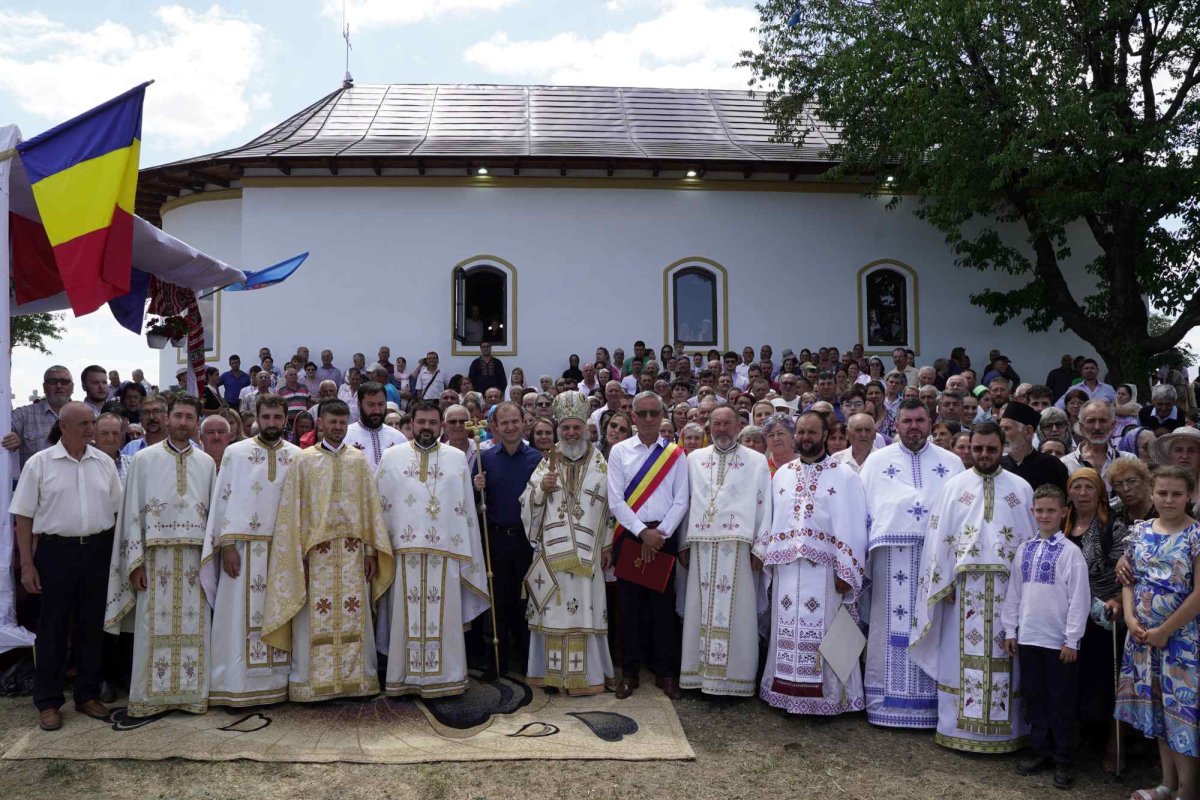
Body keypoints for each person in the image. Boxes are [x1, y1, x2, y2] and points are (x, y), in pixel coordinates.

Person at [910, 422, 1035, 754]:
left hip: (1008, 592)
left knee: (1007, 655)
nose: (984, 454)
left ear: (1002, 447)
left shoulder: (1021, 489)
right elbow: (938, 538)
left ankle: (1007, 733)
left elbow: (1031, 540)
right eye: (978, 448)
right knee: (959, 658)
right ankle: (957, 728)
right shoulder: (954, 487)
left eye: (991, 449)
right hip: (963, 592)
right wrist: (942, 583)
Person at [259, 399, 395, 701]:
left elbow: (370, 510)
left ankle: (356, 681)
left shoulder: (358, 461)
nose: (337, 428)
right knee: (313, 619)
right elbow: (293, 514)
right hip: (315, 555)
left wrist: (371, 553)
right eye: (332, 422)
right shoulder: (304, 461)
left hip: (353, 554)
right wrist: (299, 558)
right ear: (320, 423)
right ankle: (311, 685)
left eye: (342, 423)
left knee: (354, 616)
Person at [104, 394, 217, 717]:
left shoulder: (207, 463)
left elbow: (213, 518)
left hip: (194, 561)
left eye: (189, 417)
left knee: (195, 629)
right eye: (178, 415)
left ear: (196, 422)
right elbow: (131, 514)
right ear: (167, 418)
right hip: (154, 561)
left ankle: (191, 696)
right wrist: (135, 563)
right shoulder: (143, 459)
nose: (183, 422)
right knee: (151, 630)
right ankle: (148, 699)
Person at [13, 402, 122, 731]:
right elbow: (23, 518)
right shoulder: (39, 463)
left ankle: (87, 695)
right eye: (83, 423)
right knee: (53, 628)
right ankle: (48, 702)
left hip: (98, 551)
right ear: (63, 426)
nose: (91, 429)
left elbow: (118, 511)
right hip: (55, 553)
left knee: (92, 626)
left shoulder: (104, 463)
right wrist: (27, 565)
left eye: (92, 422)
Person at [860, 400, 964, 729]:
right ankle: (884, 704)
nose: (914, 426)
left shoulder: (951, 462)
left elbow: (961, 517)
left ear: (930, 422)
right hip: (889, 561)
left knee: (933, 626)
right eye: (907, 420)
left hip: (935, 562)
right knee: (886, 630)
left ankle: (934, 706)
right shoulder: (877, 462)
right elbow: (864, 511)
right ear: (896, 424)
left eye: (920, 420)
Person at [757, 411, 867, 715]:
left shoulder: (845, 476)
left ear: (825, 435)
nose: (805, 438)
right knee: (786, 629)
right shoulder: (783, 474)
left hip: (828, 572)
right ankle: (784, 692)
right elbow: (772, 519)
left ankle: (828, 700)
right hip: (787, 569)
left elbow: (854, 524)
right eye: (801, 432)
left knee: (826, 631)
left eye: (812, 432)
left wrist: (847, 570)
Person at [376, 400, 489, 696]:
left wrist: (468, 552)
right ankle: (402, 679)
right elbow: (381, 507)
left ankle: (448, 678)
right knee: (404, 619)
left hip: (446, 553)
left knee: (445, 620)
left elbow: (466, 510)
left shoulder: (456, 458)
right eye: (421, 422)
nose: (426, 427)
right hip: (404, 554)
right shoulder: (391, 457)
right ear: (411, 424)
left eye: (432, 422)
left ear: (441, 426)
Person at [199, 395, 301, 707]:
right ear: (256, 417)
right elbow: (223, 499)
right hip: (242, 549)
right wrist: (227, 544)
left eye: (277, 417)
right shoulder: (236, 452)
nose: (271, 423)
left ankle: (277, 686)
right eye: (266, 417)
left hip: (283, 551)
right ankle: (234, 686)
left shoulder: (298, 456)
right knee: (237, 620)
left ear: (286, 419)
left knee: (280, 614)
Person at [519, 392, 615, 694]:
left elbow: (612, 508)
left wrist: (607, 545)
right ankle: (550, 675)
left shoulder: (601, 463)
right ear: (558, 429)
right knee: (552, 610)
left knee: (586, 610)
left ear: (586, 428)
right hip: (552, 551)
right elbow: (526, 501)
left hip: (588, 555)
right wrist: (540, 491)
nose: (571, 433)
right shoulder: (546, 462)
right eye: (566, 428)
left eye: (576, 427)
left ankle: (587, 677)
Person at [1116, 466, 1200, 800]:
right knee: (1159, 711)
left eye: (1176, 494)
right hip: (1142, 638)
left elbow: (1199, 593)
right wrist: (1129, 618)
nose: (1168, 499)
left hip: (1182, 641)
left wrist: (1165, 630)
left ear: (1189, 496)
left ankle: (1188, 790)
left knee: (1182, 713)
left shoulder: (1196, 535)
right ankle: (1167, 784)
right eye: (1162, 493)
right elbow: (1128, 579)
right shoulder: (1139, 532)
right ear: (1152, 493)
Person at [677, 406, 771, 697]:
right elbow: (686, 502)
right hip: (702, 547)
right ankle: (698, 676)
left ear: (738, 426)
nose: (722, 429)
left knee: (740, 614)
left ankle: (736, 681)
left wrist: (761, 547)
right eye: (716, 424)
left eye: (727, 423)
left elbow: (764, 504)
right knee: (699, 610)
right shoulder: (694, 459)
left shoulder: (756, 461)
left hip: (740, 547)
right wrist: (683, 542)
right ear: (709, 427)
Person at [1000, 484, 1090, 788]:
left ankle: (1064, 760)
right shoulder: (1025, 549)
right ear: (1032, 512)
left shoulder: (1071, 553)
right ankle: (1041, 751)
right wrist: (1010, 629)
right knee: (1035, 697)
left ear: (1064, 512)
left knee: (1061, 701)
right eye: (1040, 510)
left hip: (1057, 642)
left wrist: (1072, 639)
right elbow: (1014, 592)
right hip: (1029, 637)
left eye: (1051, 510)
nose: (1045, 515)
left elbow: (1079, 599)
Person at [608, 391, 689, 700]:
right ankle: (629, 672)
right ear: (633, 417)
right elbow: (616, 500)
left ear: (662, 415)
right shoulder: (619, 452)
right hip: (631, 535)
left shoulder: (675, 454)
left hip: (663, 536)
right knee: (629, 608)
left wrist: (659, 535)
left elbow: (681, 500)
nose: (648, 418)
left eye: (653, 412)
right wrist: (643, 533)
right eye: (641, 413)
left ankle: (664, 672)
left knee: (662, 608)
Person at [474, 402, 543, 680]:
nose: (511, 427)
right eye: (504, 423)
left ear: (524, 422)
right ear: (495, 427)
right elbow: (474, 503)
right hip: (497, 539)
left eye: (515, 421)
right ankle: (497, 661)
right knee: (499, 601)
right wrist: (476, 486)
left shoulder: (537, 458)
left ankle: (528, 662)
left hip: (527, 541)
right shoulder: (484, 459)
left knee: (527, 602)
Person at [4, 365, 74, 470]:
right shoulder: (25, 414)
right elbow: (2, 425)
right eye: (53, 382)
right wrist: (8, 435)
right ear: (44, 387)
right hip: (36, 480)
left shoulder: (87, 415)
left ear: (72, 387)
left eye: (64, 382)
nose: (59, 386)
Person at [1061, 399, 1137, 488]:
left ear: (1113, 425)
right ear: (1081, 427)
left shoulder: (1129, 460)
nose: (1097, 427)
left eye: (1103, 421)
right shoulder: (1065, 464)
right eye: (1091, 421)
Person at [1000, 401, 1068, 491]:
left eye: (1006, 428)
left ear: (1028, 431)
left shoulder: (1053, 466)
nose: (1001, 434)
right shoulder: (998, 465)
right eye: (1000, 428)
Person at [345, 381, 407, 472]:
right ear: (359, 405)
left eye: (381, 404)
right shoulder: (346, 436)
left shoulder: (399, 438)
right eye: (371, 405)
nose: (377, 410)